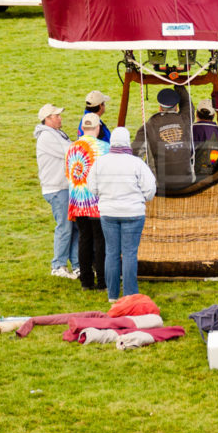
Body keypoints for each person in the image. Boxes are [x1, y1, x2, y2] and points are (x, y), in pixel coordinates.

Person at [88, 127, 157, 302]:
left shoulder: (100, 163)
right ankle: (130, 294)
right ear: (127, 141)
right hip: (133, 213)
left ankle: (112, 294)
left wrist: (105, 197)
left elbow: (92, 187)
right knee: (129, 254)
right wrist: (140, 199)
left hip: (108, 213)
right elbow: (150, 189)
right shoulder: (136, 163)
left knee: (111, 253)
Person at [34, 103, 80, 280]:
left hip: (63, 187)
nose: (60, 118)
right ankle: (58, 265)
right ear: (48, 119)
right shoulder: (47, 137)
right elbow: (70, 151)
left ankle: (76, 265)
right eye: (57, 116)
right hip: (57, 188)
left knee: (73, 227)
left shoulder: (56, 134)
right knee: (65, 227)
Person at [66, 112, 109, 291]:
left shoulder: (71, 148)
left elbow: (68, 174)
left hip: (77, 200)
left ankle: (86, 281)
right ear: (98, 128)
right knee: (100, 242)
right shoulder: (105, 147)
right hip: (97, 201)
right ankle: (102, 282)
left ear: (82, 129)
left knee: (84, 240)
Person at [132, 86, 194, 191]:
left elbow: (134, 156)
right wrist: (177, 83)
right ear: (177, 108)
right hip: (187, 182)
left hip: (160, 186)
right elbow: (188, 104)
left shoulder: (149, 126)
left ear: (160, 108)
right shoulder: (185, 119)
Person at [192, 98, 218, 178]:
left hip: (194, 176)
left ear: (196, 114)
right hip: (214, 175)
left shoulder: (191, 129)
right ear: (213, 115)